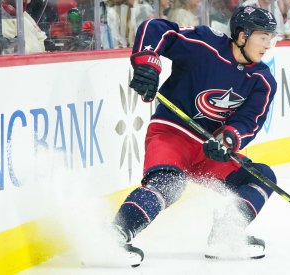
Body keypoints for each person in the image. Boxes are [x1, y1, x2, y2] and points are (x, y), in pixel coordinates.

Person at [112, 6, 278, 266]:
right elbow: (155, 29)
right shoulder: (205, 45)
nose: (268, 45)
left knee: (262, 176)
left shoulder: (262, 79)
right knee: (168, 183)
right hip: (172, 133)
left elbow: (249, 121)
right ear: (243, 35)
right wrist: (148, 64)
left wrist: (228, 140)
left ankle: (226, 233)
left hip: (209, 148)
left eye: (270, 38)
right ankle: (115, 235)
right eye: (263, 37)